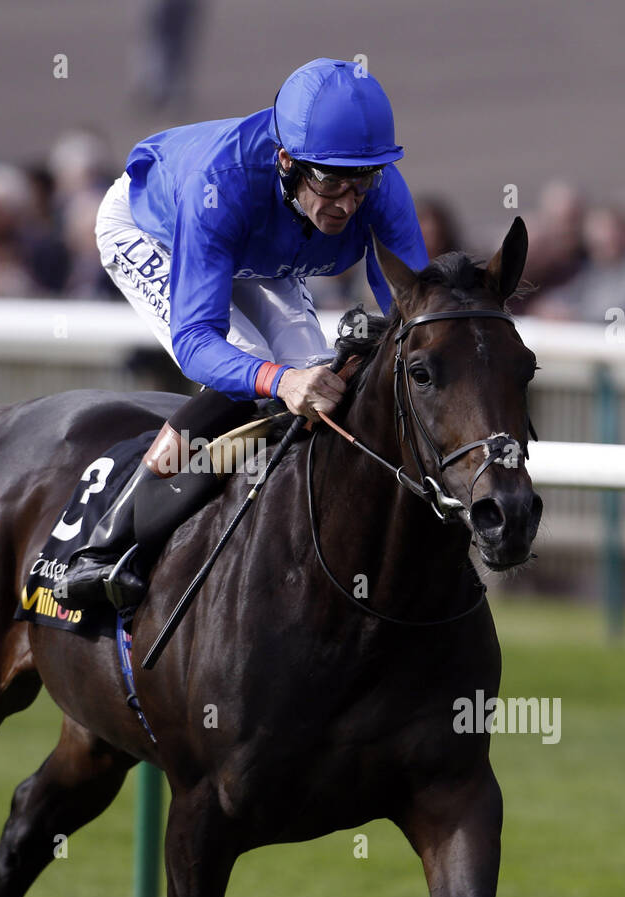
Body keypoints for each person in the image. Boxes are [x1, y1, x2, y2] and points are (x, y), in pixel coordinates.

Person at [55, 57, 429, 610]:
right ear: (286, 161)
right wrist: (278, 380)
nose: (349, 202)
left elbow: (413, 306)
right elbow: (197, 345)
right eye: (330, 182)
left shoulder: (378, 188)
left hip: (261, 249)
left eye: (362, 181)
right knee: (249, 369)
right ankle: (108, 544)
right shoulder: (222, 184)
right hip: (156, 226)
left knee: (324, 382)